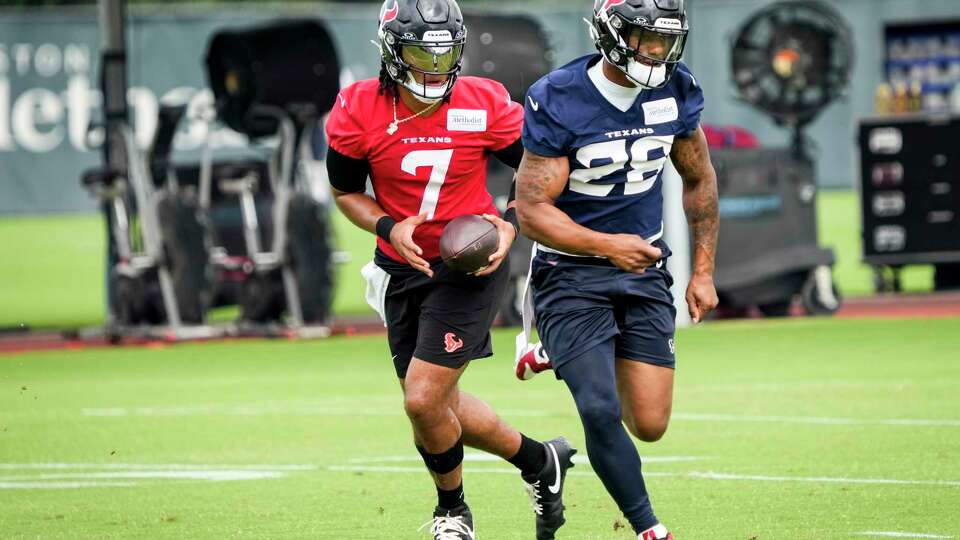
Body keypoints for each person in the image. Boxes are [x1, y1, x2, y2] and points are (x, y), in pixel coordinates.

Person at [324, 0, 575, 538]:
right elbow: (345, 191)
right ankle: (539, 461)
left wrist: (511, 220)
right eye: (420, 53)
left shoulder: (483, 102)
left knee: (422, 398)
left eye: (445, 54)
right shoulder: (357, 108)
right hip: (401, 266)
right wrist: (389, 226)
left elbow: (542, 167)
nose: (434, 67)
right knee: (439, 404)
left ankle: (452, 511)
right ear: (392, 51)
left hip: (470, 265)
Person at [515, 0, 719, 538]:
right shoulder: (559, 96)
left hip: (643, 268)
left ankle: (553, 352)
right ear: (610, 33)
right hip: (570, 274)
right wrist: (607, 246)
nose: (655, 51)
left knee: (649, 424)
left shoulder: (677, 89)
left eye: (665, 39)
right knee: (600, 410)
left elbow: (699, 178)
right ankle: (649, 527)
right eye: (643, 37)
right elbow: (532, 211)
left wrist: (702, 271)